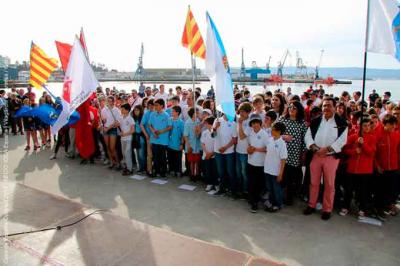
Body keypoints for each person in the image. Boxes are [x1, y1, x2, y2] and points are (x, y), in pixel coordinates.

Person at [304, 97, 348, 220]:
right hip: (316, 155)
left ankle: (327, 209)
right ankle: (311, 205)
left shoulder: (341, 123)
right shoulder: (316, 121)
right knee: (313, 183)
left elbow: (342, 140)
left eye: (329, 105)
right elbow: (308, 136)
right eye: (324, 106)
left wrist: (327, 149)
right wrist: (313, 147)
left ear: (334, 107)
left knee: (329, 184)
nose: (326, 108)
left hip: (331, 157)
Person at [340, 117, 376, 219]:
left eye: (369, 125)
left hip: (365, 170)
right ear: (360, 126)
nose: (367, 127)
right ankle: (346, 206)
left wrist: (363, 144)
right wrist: (354, 151)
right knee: (348, 189)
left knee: (363, 191)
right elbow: (344, 150)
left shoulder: (372, 138)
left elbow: (371, 153)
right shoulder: (352, 137)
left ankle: (362, 209)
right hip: (351, 169)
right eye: (364, 125)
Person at [279, 101, 308, 205]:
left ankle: (289, 198)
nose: (291, 109)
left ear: (299, 110)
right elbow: (274, 133)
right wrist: (283, 136)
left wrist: (303, 154)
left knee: (291, 178)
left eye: (294, 108)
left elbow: (305, 141)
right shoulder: (282, 119)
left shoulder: (302, 123)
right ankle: (279, 196)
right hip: (281, 153)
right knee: (281, 176)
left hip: (294, 155)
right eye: (290, 107)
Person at [374, 114, 399, 219]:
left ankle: (386, 206)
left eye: (395, 125)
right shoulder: (378, 135)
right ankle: (378, 209)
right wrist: (377, 165)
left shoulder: (397, 135)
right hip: (381, 169)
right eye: (392, 125)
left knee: (390, 190)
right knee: (380, 191)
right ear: (386, 124)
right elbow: (373, 153)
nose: (394, 127)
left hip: (393, 168)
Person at [245, 114, 268, 213]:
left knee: (258, 184)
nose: (255, 125)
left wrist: (256, 149)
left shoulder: (264, 134)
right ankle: (252, 200)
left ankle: (255, 202)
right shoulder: (250, 133)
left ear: (260, 123)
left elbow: (267, 149)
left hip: (260, 164)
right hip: (251, 162)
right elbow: (250, 146)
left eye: (256, 123)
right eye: (253, 123)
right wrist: (249, 150)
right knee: (251, 183)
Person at [264, 122, 288, 213]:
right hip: (268, 169)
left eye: (274, 129)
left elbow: (283, 159)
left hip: (275, 171)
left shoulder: (282, 143)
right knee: (270, 188)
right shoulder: (270, 140)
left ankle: (278, 204)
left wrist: (280, 173)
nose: (271, 130)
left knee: (276, 189)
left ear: (279, 131)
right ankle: (271, 202)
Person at [213, 113, 238, 198]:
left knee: (230, 172)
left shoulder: (234, 124)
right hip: (218, 151)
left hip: (229, 152)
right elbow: (213, 135)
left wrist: (225, 147)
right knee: (220, 172)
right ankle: (222, 189)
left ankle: (233, 191)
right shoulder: (217, 120)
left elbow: (234, 139)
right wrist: (215, 128)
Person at [149, 98, 172, 177]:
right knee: (155, 156)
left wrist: (161, 132)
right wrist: (153, 132)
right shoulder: (152, 114)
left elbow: (169, 127)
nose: (155, 107)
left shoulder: (166, 115)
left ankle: (163, 171)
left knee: (162, 156)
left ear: (162, 106)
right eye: (154, 105)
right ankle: (156, 170)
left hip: (163, 140)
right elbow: (149, 125)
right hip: (154, 139)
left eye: (156, 105)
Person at [101, 96, 122, 170]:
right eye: (108, 101)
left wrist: (108, 128)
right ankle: (112, 162)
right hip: (105, 129)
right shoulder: (104, 109)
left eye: (111, 101)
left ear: (113, 102)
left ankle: (118, 163)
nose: (109, 102)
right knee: (107, 147)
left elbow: (117, 122)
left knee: (112, 147)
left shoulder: (116, 110)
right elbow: (103, 121)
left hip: (112, 129)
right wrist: (103, 123)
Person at [236, 102, 252, 197]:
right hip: (238, 150)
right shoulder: (239, 120)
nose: (241, 113)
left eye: (243, 112)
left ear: (248, 112)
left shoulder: (250, 123)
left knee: (244, 173)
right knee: (238, 172)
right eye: (240, 111)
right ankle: (239, 190)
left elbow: (242, 136)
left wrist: (240, 124)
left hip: (245, 152)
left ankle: (246, 191)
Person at [184, 107, 202, 181]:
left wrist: (198, 131)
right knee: (192, 162)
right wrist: (188, 146)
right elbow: (185, 135)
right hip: (190, 145)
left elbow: (198, 134)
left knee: (197, 161)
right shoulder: (188, 123)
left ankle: (197, 174)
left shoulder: (198, 121)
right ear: (192, 114)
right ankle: (192, 175)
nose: (198, 114)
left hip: (197, 145)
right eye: (196, 113)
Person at [118, 103, 135, 175]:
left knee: (127, 153)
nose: (121, 110)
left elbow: (133, 130)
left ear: (127, 110)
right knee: (124, 154)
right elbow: (118, 127)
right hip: (122, 139)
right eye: (121, 109)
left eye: (123, 109)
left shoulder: (130, 118)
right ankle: (126, 167)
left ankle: (130, 169)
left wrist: (125, 134)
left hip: (128, 139)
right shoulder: (121, 118)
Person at [201, 116, 217, 192]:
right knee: (207, 171)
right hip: (206, 155)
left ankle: (216, 184)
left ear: (211, 124)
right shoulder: (204, 132)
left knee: (214, 171)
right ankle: (209, 184)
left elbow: (217, 144)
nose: (205, 125)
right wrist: (207, 153)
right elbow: (203, 143)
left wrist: (212, 153)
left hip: (214, 156)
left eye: (207, 123)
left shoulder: (216, 133)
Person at [168, 105, 184, 177]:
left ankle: (178, 171)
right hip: (170, 144)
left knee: (178, 159)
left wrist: (181, 144)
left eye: (173, 111)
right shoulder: (170, 119)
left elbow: (183, 134)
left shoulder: (181, 122)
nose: (171, 112)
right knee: (170, 158)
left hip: (177, 144)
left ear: (177, 113)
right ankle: (171, 170)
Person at [140, 99, 155, 176]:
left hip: (158, 138)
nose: (150, 106)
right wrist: (146, 135)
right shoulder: (146, 113)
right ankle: (149, 170)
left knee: (156, 155)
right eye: (149, 105)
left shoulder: (159, 113)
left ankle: (156, 169)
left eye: (152, 105)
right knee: (149, 155)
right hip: (149, 137)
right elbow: (141, 125)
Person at [132, 105, 146, 173]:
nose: (135, 111)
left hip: (141, 137)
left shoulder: (143, 118)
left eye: (137, 110)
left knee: (141, 154)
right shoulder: (133, 118)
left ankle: (144, 168)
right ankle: (140, 167)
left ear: (140, 111)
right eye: (134, 110)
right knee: (137, 153)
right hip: (135, 137)